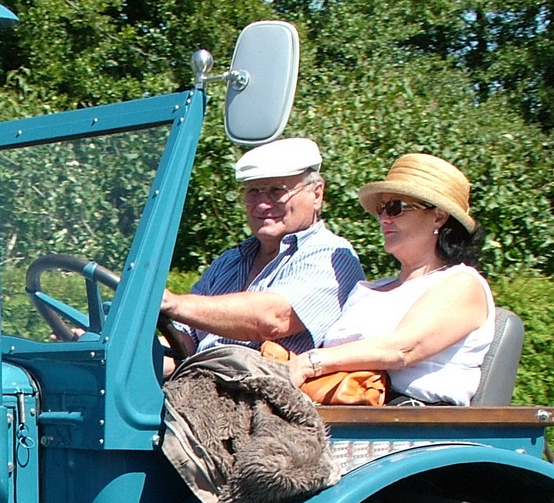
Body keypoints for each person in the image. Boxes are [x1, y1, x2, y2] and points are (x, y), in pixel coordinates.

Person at [291, 153, 493, 405]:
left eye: (396, 208)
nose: (384, 218)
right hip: (342, 410)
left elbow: (401, 350)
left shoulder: (462, 283)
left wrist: (308, 362)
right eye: (382, 208)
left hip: (412, 424)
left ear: (438, 217)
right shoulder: (371, 288)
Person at [159, 137, 364, 361]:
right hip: (197, 381)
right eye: (253, 192)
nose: (262, 204)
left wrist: (173, 303)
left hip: (263, 388)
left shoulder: (332, 255)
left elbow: (273, 319)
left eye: (277, 191)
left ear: (316, 194)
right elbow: (183, 342)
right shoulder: (230, 260)